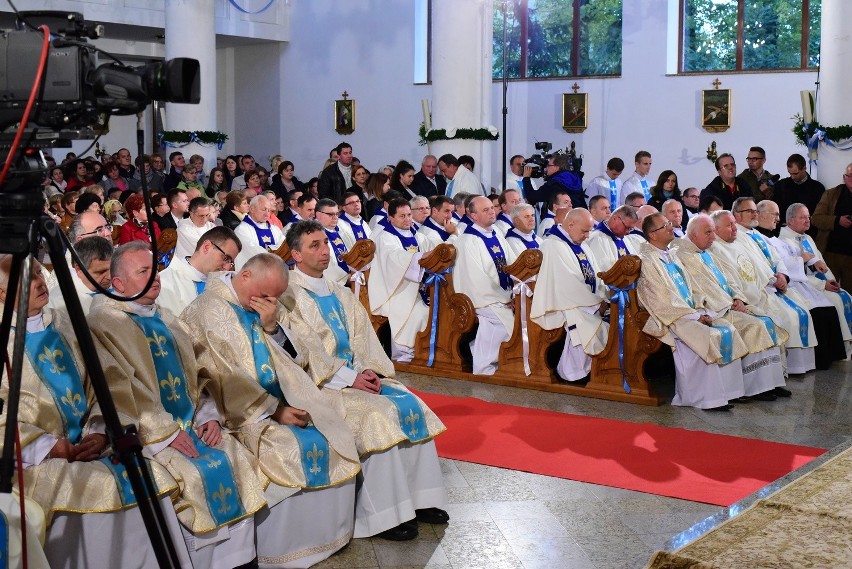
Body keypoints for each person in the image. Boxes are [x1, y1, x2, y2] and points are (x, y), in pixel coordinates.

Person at [0, 255, 190, 569]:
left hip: (93, 441)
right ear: (4, 294)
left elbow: (107, 379)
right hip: (38, 457)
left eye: (38, 273)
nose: (38, 282)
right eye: (27, 279)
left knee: (148, 475)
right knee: (93, 489)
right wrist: (53, 446)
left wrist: (100, 431)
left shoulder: (66, 322)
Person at [89, 243, 268, 568]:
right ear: (118, 284)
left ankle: (241, 560)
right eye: (143, 272)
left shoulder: (166, 317)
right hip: (148, 435)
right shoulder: (104, 323)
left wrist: (208, 416)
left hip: (190, 424)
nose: (155, 277)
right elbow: (117, 389)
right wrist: (166, 435)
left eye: (154, 269)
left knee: (233, 455)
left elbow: (196, 373)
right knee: (192, 474)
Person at [181, 254, 364, 565]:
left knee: (335, 433)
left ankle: (329, 537)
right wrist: (275, 410)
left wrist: (271, 328)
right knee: (287, 448)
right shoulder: (207, 311)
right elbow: (218, 375)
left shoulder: (268, 305)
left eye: (276, 297)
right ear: (245, 275)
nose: (270, 302)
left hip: (285, 397)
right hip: (239, 413)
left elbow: (301, 355)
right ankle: (283, 552)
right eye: (265, 295)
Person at [282, 221, 449, 541]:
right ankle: (383, 515)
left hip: (357, 376)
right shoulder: (288, 296)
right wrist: (348, 378)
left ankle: (421, 498)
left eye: (325, 243)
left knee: (409, 403)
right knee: (377, 416)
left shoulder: (340, 292)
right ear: (296, 254)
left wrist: (370, 370)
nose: (324, 250)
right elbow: (304, 350)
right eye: (314, 245)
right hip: (321, 386)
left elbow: (364, 341)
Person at [637, 213, 748, 411]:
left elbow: (691, 287)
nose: (671, 227)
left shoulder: (671, 254)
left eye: (669, 223)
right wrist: (695, 315)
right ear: (653, 235)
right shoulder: (648, 261)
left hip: (690, 311)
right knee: (706, 334)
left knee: (726, 328)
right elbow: (660, 299)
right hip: (672, 317)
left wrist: (702, 308)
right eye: (665, 226)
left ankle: (728, 393)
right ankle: (702, 398)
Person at [676, 214, 790, 401]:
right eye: (708, 232)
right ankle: (757, 387)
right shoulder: (681, 254)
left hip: (728, 305)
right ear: (694, 234)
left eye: (713, 232)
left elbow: (729, 278)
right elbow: (691, 289)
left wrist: (737, 297)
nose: (713, 237)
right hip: (714, 310)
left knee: (767, 321)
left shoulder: (707, 251)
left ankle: (771, 383)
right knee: (756, 326)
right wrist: (715, 307)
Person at [737, 198, 845, 369]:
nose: (778, 219)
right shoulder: (750, 237)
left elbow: (779, 260)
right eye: (775, 214)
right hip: (769, 287)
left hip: (786, 281)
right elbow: (760, 265)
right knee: (800, 314)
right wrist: (784, 273)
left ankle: (824, 358)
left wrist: (785, 274)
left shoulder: (762, 236)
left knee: (825, 308)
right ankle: (797, 364)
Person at [710, 209, 817, 375]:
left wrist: (776, 278)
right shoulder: (714, 249)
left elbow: (759, 264)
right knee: (770, 321)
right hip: (743, 301)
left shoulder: (741, 240)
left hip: (761, 293)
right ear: (715, 229)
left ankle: (775, 377)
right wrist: (738, 298)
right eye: (729, 225)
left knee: (780, 319)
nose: (735, 228)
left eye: (734, 224)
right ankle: (764, 379)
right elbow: (725, 279)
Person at [530, 209, 608, 383]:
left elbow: (596, 274)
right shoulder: (552, 245)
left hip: (581, 301)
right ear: (571, 224)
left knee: (596, 320)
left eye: (589, 231)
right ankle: (572, 373)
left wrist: (603, 297)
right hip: (561, 304)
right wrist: (596, 303)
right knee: (584, 322)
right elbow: (567, 283)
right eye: (585, 231)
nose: (588, 236)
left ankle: (590, 370)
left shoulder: (580, 243)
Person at [454, 196, 518, 375]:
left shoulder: (496, 232)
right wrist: (504, 298)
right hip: (480, 299)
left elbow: (512, 264)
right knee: (507, 324)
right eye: (485, 210)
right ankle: (485, 368)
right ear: (473, 215)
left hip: (501, 296)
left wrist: (515, 292)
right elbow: (475, 279)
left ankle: (486, 360)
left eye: (492, 207)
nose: (492, 211)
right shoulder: (468, 241)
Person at [778, 202, 852, 352]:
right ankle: (842, 349)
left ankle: (848, 347)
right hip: (802, 287)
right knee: (836, 301)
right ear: (790, 220)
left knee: (847, 297)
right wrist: (822, 285)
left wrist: (831, 280)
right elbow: (794, 272)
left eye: (808, 217)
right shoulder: (782, 241)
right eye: (802, 217)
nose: (807, 221)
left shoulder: (807, 238)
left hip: (817, 283)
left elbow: (822, 264)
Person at [368, 199, 431, 362]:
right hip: (393, 289)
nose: (407, 219)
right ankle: (404, 354)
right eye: (402, 216)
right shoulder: (385, 237)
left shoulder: (417, 235)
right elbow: (393, 258)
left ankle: (425, 353)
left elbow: (432, 251)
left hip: (417, 287)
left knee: (435, 311)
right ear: (390, 218)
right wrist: (419, 257)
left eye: (409, 215)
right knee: (420, 314)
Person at [158, 226, 240, 316]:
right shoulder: (167, 281)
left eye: (230, 262)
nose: (227, 268)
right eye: (225, 258)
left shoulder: (219, 286)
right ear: (206, 247)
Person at [811, 163, 852, 285]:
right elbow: (816, 219)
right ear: (844, 177)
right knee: (829, 292)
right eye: (850, 175)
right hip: (830, 253)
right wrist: (837, 221)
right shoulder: (831, 195)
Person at [772, 154, 824, 238]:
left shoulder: (817, 188)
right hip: (784, 235)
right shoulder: (781, 185)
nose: (792, 177)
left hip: (808, 235)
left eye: (795, 173)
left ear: (804, 168)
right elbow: (776, 210)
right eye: (790, 173)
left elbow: (818, 216)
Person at [584, 205, 641, 273]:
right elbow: (603, 271)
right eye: (626, 227)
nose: (628, 232)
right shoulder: (597, 239)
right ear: (615, 218)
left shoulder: (624, 238)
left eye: (631, 229)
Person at [234, 195, 286, 266]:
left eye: (268, 210)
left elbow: (284, 247)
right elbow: (254, 252)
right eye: (264, 209)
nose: (267, 214)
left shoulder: (274, 229)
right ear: (252, 209)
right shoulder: (241, 230)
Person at [314, 198, 352, 285]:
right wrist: (347, 278)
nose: (335, 218)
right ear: (318, 215)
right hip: (332, 283)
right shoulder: (313, 234)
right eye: (330, 214)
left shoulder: (341, 230)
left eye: (336, 214)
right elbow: (324, 264)